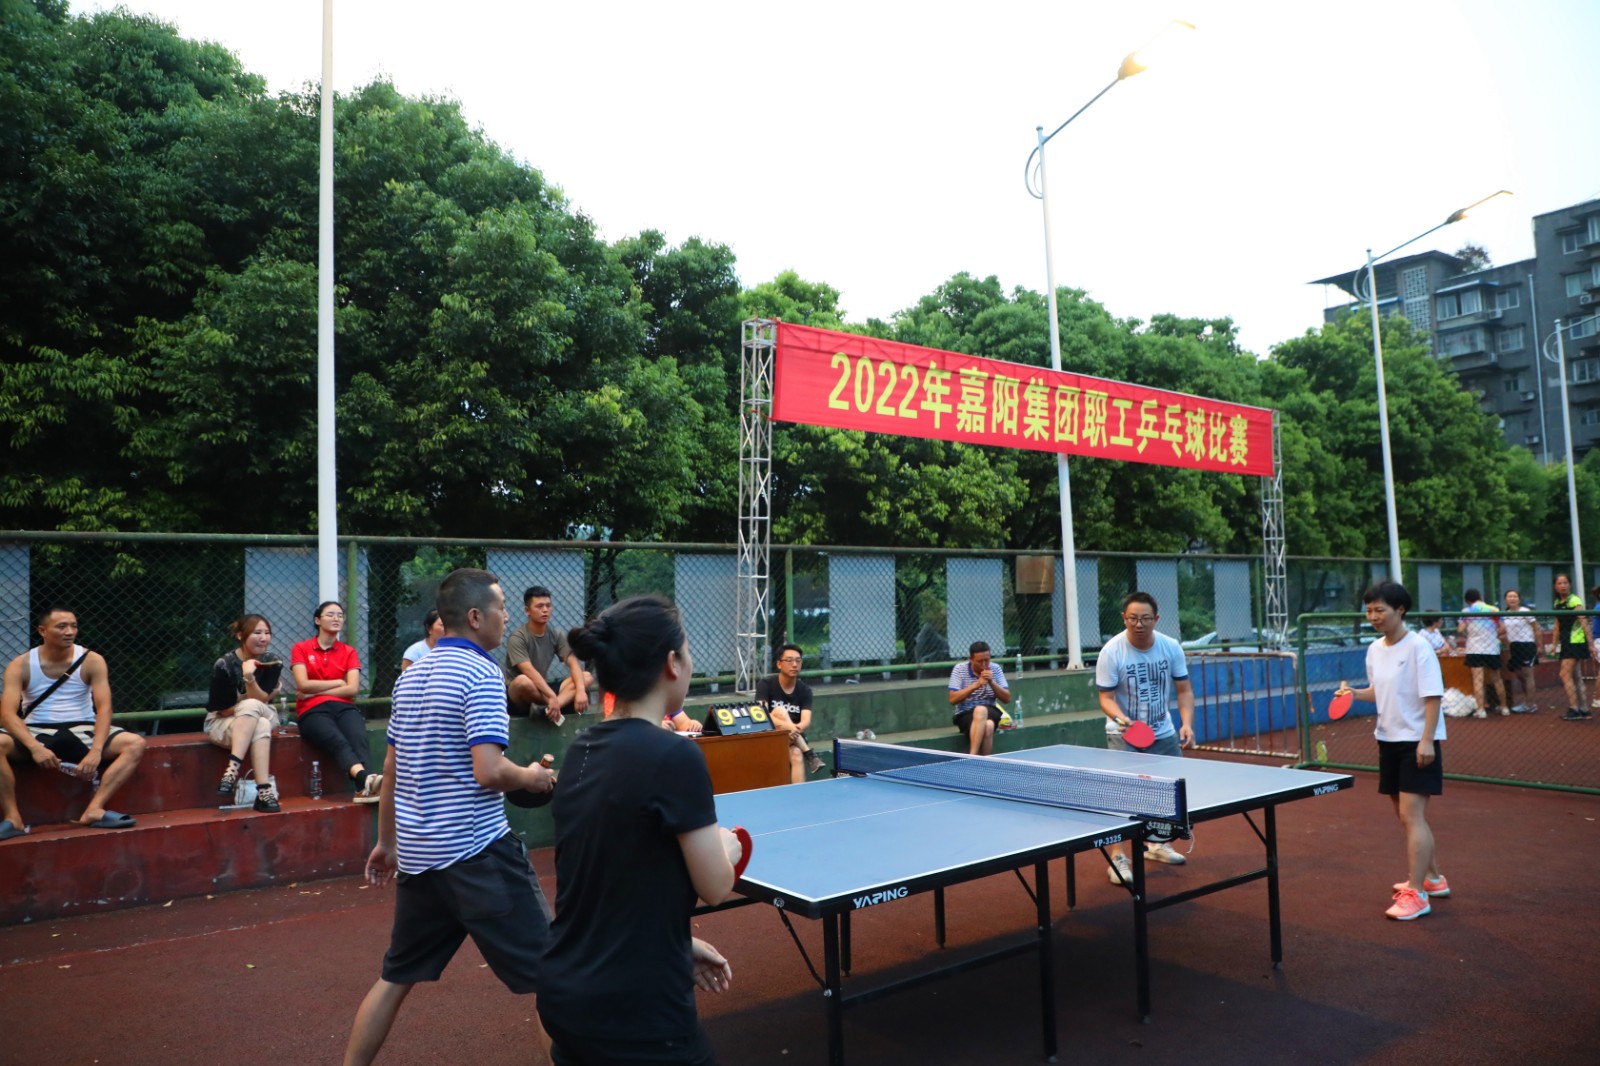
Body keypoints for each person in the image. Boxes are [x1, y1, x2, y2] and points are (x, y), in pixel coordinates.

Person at [344, 568, 558, 1066]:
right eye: (502, 607)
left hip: (421, 860)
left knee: (394, 978)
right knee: (554, 977)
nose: (507, 615)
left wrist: (387, 843)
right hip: (479, 855)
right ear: (476, 616)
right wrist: (532, 777)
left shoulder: (411, 676)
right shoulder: (482, 673)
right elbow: (490, 771)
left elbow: (391, 768)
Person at [538, 595, 742, 1065]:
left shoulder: (581, 749)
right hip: (636, 1010)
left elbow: (615, 876)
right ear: (672, 663)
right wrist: (726, 846)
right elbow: (715, 886)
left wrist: (676, 943)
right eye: (687, 651)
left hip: (567, 993)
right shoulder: (676, 755)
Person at [1336, 580, 1447, 921]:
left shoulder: (1419, 647)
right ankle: (1434, 879)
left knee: (1412, 817)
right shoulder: (1374, 649)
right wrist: (1354, 693)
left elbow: (1433, 696)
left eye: (1380, 610)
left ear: (1400, 610)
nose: (1373, 616)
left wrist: (1427, 740)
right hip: (1387, 739)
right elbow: (1378, 690)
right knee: (1406, 816)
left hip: (1416, 741)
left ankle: (1417, 894)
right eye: (1369, 610)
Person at [0, 607, 146, 837]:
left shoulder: (92, 660)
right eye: (61, 626)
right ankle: (13, 818)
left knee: (135, 743)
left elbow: (104, 708)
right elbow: (7, 714)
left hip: (83, 728)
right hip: (37, 730)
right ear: (42, 631)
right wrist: (34, 747)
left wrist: (96, 751)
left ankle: (94, 809)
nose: (69, 632)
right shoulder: (21, 664)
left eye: (73, 626)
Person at [1096, 592, 1195, 883]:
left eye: (1145, 618)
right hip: (1123, 733)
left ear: (1156, 619)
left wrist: (1187, 724)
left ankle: (1156, 844)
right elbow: (1105, 698)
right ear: (1124, 618)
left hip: (1162, 731)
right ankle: (1118, 857)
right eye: (1133, 618)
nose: (1139, 624)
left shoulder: (1170, 647)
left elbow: (1184, 690)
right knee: (1122, 794)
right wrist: (1121, 719)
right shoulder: (1112, 652)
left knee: (1168, 793)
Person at [291, 600, 380, 803]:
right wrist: (338, 682)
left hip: (344, 706)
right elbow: (302, 684)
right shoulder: (301, 648)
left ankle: (363, 788)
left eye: (340, 615)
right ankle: (365, 782)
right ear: (317, 620)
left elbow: (352, 689)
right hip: (312, 710)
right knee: (337, 740)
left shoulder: (348, 651)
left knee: (358, 736)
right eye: (330, 614)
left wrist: (313, 691)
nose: (336, 618)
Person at [206, 613, 284, 812]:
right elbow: (222, 711)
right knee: (260, 721)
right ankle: (264, 791)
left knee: (253, 708)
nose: (263, 638)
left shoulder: (273, 662)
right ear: (240, 635)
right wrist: (255, 698)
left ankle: (231, 771)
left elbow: (259, 701)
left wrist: (249, 677)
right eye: (257, 633)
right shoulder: (224, 665)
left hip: (263, 711)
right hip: (224, 722)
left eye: (267, 633)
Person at [504, 586, 592, 725]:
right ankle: (554, 704)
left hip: (543, 690)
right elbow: (529, 672)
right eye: (539, 606)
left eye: (548, 606)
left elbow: (573, 662)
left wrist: (581, 691)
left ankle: (548, 709)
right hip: (520, 694)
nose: (545, 610)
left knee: (586, 677)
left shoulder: (556, 634)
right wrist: (551, 696)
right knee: (522, 681)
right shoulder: (518, 637)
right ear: (527, 610)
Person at [756, 644, 822, 781]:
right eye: (789, 660)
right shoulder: (766, 684)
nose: (794, 665)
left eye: (798, 661)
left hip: (793, 739)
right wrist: (788, 727)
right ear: (779, 664)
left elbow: (806, 721)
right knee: (780, 711)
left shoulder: (804, 690)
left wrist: (794, 730)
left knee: (796, 754)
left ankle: (798, 793)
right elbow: (761, 714)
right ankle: (809, 754)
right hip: (770, 735)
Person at [947, 641, 1011, 756]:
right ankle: (984, 762)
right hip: (965, 713)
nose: (984, 664)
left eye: (987, 660)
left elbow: (1007, 698)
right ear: (971, 659)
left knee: (981, 710)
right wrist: (976, 685)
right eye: (980, 661)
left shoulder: (995, 669)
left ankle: (973, 756)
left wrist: (992, 682)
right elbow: (952, 699)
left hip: (991, 710)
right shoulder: (959, 669)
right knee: (989, 726)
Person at [1549, 573, 1595, 721]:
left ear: (1570, 584)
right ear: (1555, 587)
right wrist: (1554, 644)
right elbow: (1557, 624)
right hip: (1566, 642)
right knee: (1576, 676)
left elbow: (1583, 621)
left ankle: (1574, 708)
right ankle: (1584, 709)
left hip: (1575, 641)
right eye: (1559, 583)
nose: (1563, 586)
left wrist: (1590, 644)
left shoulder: (1574, 600)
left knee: (1564, 674)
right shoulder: (1557, 602)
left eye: (1565, 583)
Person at [1458, 589, 1509, 716]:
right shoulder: (1494, 610)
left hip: (1474, 648)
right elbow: (1503, 628)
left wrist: (1469, 634)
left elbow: (1460, 629)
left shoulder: (1467, 611)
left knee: (1478, 680)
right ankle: (1504, 707)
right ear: (1480, 597)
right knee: (1497, 679)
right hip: (1492, 647)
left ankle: (1481, 710)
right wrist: (1492, 634)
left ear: (1467, 600)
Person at [1501, 590, 1540, 714]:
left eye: (1515, 596)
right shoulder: (1505, 615)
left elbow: (1536, 629)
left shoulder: (1525, 611)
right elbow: (1503, 632)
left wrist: (1540, 646)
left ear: (1519, 599)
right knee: (1519, 675)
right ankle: (1527, 700)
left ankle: (1531, 704)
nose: (1512, 599)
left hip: (1527, 644)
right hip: (1514, 646)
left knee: (1528, 674)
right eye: (1509, 596)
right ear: (1505, 599)